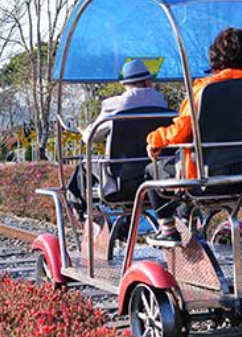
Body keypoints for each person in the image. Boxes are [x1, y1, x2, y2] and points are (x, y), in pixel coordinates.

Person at [146, 27, 242, 243]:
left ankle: (167, 229)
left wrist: (154, 140)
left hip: (211, 177)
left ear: (215, 57)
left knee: (152, 171)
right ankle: (188, 216)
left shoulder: (205, 90)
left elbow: (181, 132)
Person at [66, 59, 168, 220]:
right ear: (148, 81)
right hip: (159, 180)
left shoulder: (115, 105)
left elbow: (92, 138)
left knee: (84, 165)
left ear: (125, 84)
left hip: (123, 182)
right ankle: (127, 224)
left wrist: (85, 131)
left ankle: (79, 210)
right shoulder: (162, 104)